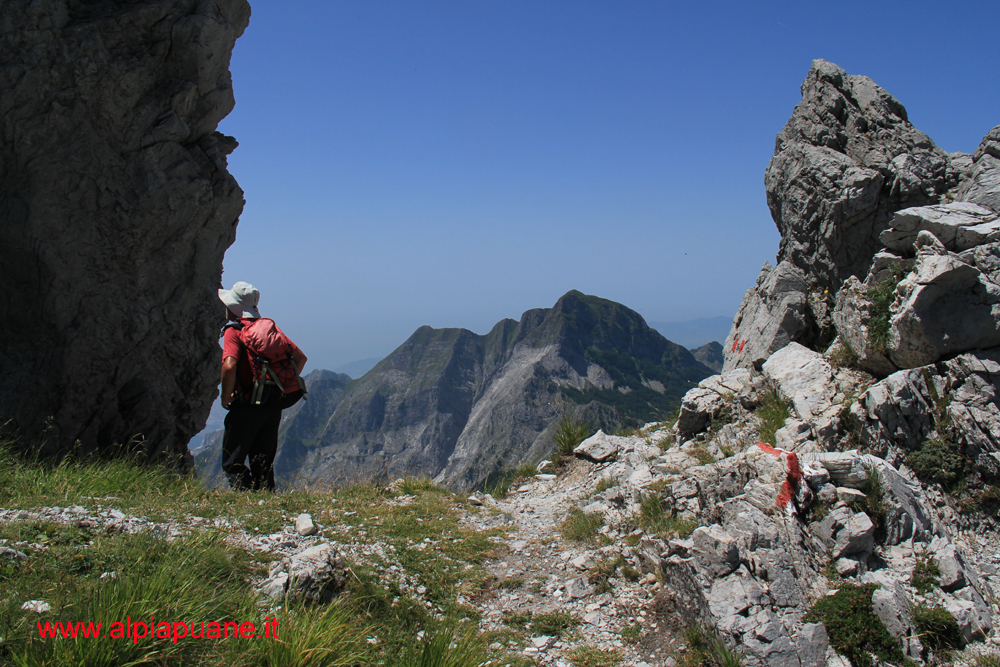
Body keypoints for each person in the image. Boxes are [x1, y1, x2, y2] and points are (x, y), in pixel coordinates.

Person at [218, 282, 307, 491]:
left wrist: (225, 397)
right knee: (263, 461)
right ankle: (266, 502)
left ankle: (247, 501)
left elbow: (229, 366)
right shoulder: (270, 330)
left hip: (247, 404)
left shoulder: (235, 330)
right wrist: (279, 384)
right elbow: (300, 358)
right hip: (273, 404)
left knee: (232, 462)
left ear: (234, 307)